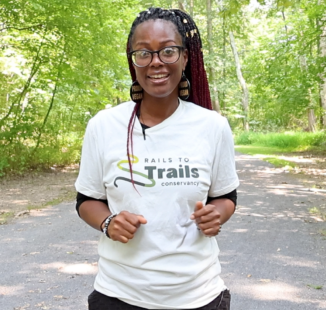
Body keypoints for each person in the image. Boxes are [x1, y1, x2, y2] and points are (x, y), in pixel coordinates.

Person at [75, 7, 239, 310]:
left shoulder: (213, 126)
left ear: (185, 57)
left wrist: (217, 215)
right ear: (133, 61)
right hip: (119, 295)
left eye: (168, 51)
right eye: (144, 53)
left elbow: (226, 196)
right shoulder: (104, 125)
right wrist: (108, 221)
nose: (156, 62)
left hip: (198, 296)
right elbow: (86, 200)